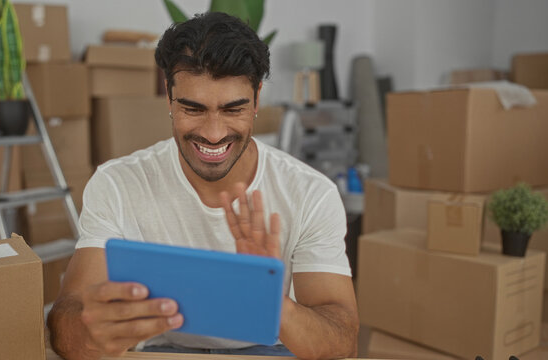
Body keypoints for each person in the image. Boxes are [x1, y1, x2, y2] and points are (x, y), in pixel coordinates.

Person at [47, 12, 358, 360]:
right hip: (162, 350)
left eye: (233, 109)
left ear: (256, 99)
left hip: (269, 349)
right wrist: (92, 329)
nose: (213, 133)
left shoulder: (311, 194)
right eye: (192, 109)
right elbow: (68, 322)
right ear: (168, 97)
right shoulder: (117, 184)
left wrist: (273, 300)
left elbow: (341, 341)